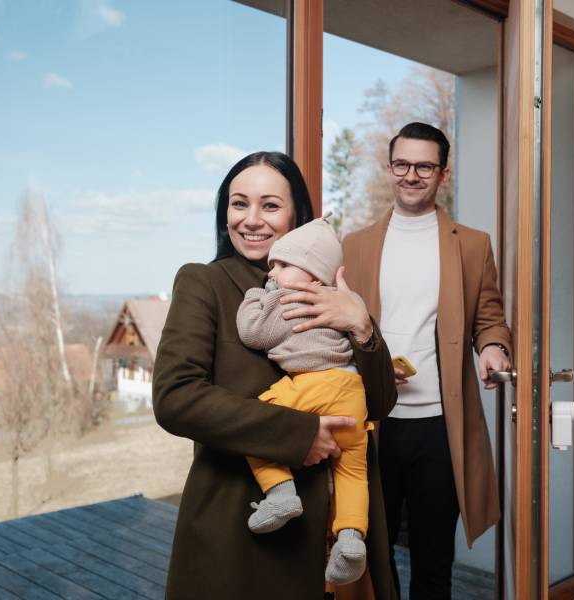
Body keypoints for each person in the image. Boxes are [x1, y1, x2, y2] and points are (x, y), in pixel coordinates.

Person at [152, 151, 398, 600]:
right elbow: (175, 397)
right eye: (238, 204)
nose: (251, 220)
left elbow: (379, 403)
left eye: (269, 205)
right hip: (242, 528)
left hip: (339, 526)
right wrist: (300, 434)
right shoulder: (203, 283)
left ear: (297, 215)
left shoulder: (331, 289)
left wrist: (361, 325)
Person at [342, 122, 513, 600]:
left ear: (443, 173)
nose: (411, 175)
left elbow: (489, 318)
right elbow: (337, 328)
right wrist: (371, 364)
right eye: (402, 164)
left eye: (424, 166)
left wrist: (494, 347)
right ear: (389, 168)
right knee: (374, 557)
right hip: (372, 422)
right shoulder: (354, 245)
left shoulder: (473, 244)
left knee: (433, 561)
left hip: (441, 426)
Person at [236, 214, 371, 585]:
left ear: (313, 277)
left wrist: (254, 296)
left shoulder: (288, 300)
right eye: (272, 266)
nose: (272, 273)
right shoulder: (345, 301)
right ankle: (351, 540)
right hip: (352, 393)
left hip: (314, 386)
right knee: (352, 472)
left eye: (282, 265)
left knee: (257, 422)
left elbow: (252, 333)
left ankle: (280, 493)